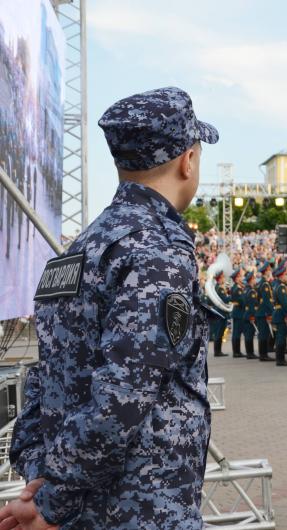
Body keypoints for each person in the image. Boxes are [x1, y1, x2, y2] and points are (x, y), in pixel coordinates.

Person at [5, 86, 218, 528]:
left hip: (81, 507)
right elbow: (122, 395)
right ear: (188, 160)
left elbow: (45, 380)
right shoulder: (157, 249)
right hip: (141, 510)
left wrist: (43, 481)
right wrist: (54, 500)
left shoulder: (77, 251)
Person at [271, 263, 287, 366]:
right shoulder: (281, 287)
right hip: (281, 314)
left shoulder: (277, 286)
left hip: (278, 313)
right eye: (285, 275)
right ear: (281, 276)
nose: (286, 277)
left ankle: (280, 359)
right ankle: (280, 359)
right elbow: (284, 303)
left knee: (280, 337)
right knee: (281, 338)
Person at [255, 261, 275, 361]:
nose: (270, 271)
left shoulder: (261, 283)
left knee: (263, 334)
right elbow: (267, 301)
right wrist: (270, 312)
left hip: (261, 311)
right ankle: (263, 355)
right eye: (269, 270)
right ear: (266, 271)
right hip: (264, 312)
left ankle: (263, 354)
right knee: (263, 334)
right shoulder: (265, 284)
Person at [210, 268, 230, 357]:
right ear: (219, 279)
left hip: (222, 313)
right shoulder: (219, 288)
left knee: (220, 332)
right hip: (221, 313)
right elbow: (224, 300)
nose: (224, 279)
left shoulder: (220, 287)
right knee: (219, 332)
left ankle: (218, 351)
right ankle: (217, 351)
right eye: (222, 278)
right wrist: (231, 297)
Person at [229, 268, 246, 358]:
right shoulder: (237, 289)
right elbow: (242, 301)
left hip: (238, 312)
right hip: (238, 312)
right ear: (236, 279)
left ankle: (237, 351)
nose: (241, 278)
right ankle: (236, 352)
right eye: (239, 277)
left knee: (237, 333)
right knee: (236, 333)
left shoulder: (237, 287)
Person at [243, 271, 259, 359]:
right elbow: (252, 305)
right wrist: (253, 315)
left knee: (248, 335)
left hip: (246, 313)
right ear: (251, 280)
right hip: (250, 314)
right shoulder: (251, 291)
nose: (255, 280)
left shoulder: (246, 289)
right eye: (254, 279)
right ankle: (250, 353)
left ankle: (249, 352)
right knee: (249, 335)